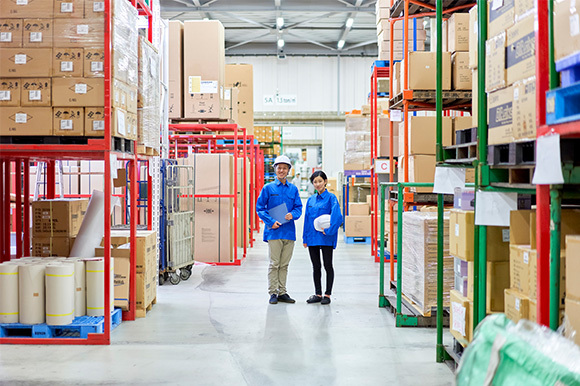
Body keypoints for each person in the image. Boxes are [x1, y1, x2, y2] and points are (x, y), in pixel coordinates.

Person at [256, 155, 303, 305]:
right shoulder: (268, 188)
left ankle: (282, 292)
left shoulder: (293, 189)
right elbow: (260, 208)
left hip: (288, 231)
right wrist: (271, 221)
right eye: (279, 167)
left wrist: (292, 215)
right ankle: (273, 293)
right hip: (274, 231)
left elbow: (298, 208)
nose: (282, 170)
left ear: (289, 170)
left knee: (284, 264)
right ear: (275, 169)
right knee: (274, 263)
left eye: (285, 168)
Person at [302, 170, 343, 305]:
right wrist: (305, 238)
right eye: (315, 182)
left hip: (326, 237)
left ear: (325, 182)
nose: (318, 184)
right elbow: (307, 219)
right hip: (313, 237)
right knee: (316, 266)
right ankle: (318, 293)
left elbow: (338, 217)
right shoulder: (310, 200)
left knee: (327, 265)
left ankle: (327, 294)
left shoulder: (331, 198)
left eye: (320, 181)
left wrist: (330, 231)